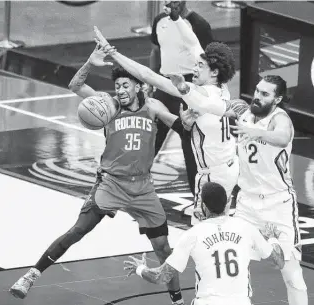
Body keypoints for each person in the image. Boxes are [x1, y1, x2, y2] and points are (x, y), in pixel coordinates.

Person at [9, 45, 187, 305]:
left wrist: (189, 114)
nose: (120, 90)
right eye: (117, 85)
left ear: (140, 86)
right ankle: (31, 275)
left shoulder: (153, 107)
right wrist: (90, 63)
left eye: (125, 85)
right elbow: (75, 84)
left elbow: (181, 126)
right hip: (111, 184)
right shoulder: (108, 106)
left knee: (163, 247)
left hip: (142, 187)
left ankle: (178, 304)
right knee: (78, 230)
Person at [176, 75, 310, 305]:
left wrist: (253, 131)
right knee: (226, 253)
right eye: (257, 91)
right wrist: (184, 92)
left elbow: (282, 137)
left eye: (265, 94)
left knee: (291, 273)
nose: (258, 97)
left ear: (278, 99)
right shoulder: (243, 110)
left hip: (278, 204)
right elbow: (209, 106)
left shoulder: (280, 118)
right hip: (247, 202)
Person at [93, 27, 241, 225]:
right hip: (230, 168)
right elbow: (193, 45)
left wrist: (113, 53)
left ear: (214, 72)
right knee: (221, 224)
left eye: (199, 66)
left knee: (202, 232)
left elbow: (148, 76)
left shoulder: (200, 94)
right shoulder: (221, 87)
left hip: (212, 175)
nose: (193, 68)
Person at [124, 182, 285, 305]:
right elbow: (279, 262)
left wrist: (140, 269)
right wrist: (273, 240)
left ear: (204, 206)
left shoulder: (193, 234)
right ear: (228, 202)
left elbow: (161, 276)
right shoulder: (246, 227)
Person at [151, 1, 213, 196]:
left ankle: (199, 197)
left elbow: (209, 62)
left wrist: (203, 92)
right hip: (163, 85)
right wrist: (151, 80)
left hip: (188, 89)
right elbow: (156, 50)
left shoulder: (199, 25)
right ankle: (132, 183)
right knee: (151, 135)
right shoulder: (159, 20)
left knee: (190, 144)